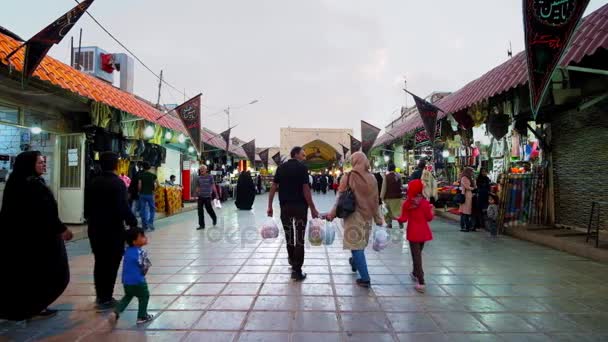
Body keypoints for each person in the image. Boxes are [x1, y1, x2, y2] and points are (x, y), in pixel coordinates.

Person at [0, 151, 73, 321]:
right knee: (47, 273)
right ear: (29, 164)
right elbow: (44, 212)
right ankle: (32, 306)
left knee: (30, 275)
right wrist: (61, 229)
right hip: (35, 240)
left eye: (43, 162)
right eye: (40, 162)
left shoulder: (19, 182)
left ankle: (32, 306)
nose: (44, 165)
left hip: (28, 239)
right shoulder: (30, 185)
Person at [85, 152, 138, 312]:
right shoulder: (117, 183)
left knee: (100, 261)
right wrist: (132, 222)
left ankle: (101, 295)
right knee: (112, 263)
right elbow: (122, 207)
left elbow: (87, 207)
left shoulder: (92, 181)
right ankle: (106, 297)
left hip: (94, 228)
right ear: (116, 165)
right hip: (113, 229)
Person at [327, 152, 383, 288]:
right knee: (359, 245)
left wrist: (332, 214)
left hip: (354, 217)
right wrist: (378, 218)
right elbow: (376, 200)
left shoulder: (349, 176)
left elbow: (340, 198)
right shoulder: (373, 178)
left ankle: (365, 278)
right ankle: (354, 262)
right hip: (368, 216)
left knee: (357, 247)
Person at [268, 146, 320, 281]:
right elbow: (306, 189)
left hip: (285, 207)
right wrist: (313, 208)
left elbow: (273, 187)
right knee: (299, 239)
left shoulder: (281, 168)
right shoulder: (302, 168)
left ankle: (292, 260)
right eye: (303, 155)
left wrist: (269, 206)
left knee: (289, 236)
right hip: (300, 208)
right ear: (295, 154)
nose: (304, 157)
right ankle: (297, 270)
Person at [109, 227, 154, 325]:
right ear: (134, 242)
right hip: (138, 281)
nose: (145, 237)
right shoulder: (141, 252)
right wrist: (143, 274)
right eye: (142, 236)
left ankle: (116, 312)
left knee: (128, 296)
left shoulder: (127, 251)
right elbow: (145, 266)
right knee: (144, 296)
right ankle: (142, 316)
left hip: (126, 282)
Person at [397, 179, 434, 293]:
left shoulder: (408, 203)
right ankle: (414, 273)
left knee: (416, 257)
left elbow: (403, 219)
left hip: (413, 233)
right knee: (418, 255)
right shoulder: (424, 203)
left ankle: (421, 281)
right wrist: (431, 211)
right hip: (424, 233)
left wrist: (396, 218)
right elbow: (429, 218)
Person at [138, 162, 159, 231]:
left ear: (143, 167)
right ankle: (150, 223)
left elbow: (139, 186)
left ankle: (144, 226)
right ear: (149, 167)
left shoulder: (141, 175)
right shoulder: (153, 175)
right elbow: (157, 184)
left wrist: (140, 191)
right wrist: (154, 190)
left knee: (143, 210)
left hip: (142, 195)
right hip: (150, 195)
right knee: (152, 209)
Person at [381, 163, 403, 229]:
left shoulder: (386, 177)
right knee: (397, 212)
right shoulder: (399, 176)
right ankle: (400, 222)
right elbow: (401, 186)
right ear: (394, 168)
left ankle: (389, 223)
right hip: (397, 197)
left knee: (387, 212)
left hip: (388, 197)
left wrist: (381, 197)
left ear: (388, 168)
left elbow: (384, 187)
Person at [196, 165, 218, 230]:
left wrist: (216, 194)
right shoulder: (198, 178)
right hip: (200, 196)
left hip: (208, 196)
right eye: (200, 169)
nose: (201, 170)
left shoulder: (210, 177)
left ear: (206, 170)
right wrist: (196, 192)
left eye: (203, 169)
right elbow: (198, 187)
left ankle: (214, 218)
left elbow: (213, 186)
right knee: (200, 211)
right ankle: (201, 225)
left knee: (209, 209)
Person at [459, 167, 476, 232]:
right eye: (471, 172)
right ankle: (464, 226)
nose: (472, 173)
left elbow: (475, 186)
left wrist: (474, 179)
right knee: (464, 212)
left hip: (469, 195)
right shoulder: (464, 178)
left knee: (466, 212)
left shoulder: (470, 178)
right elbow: (467, 187)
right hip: (465, 195)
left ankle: (466, 226)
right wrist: (473, 188)